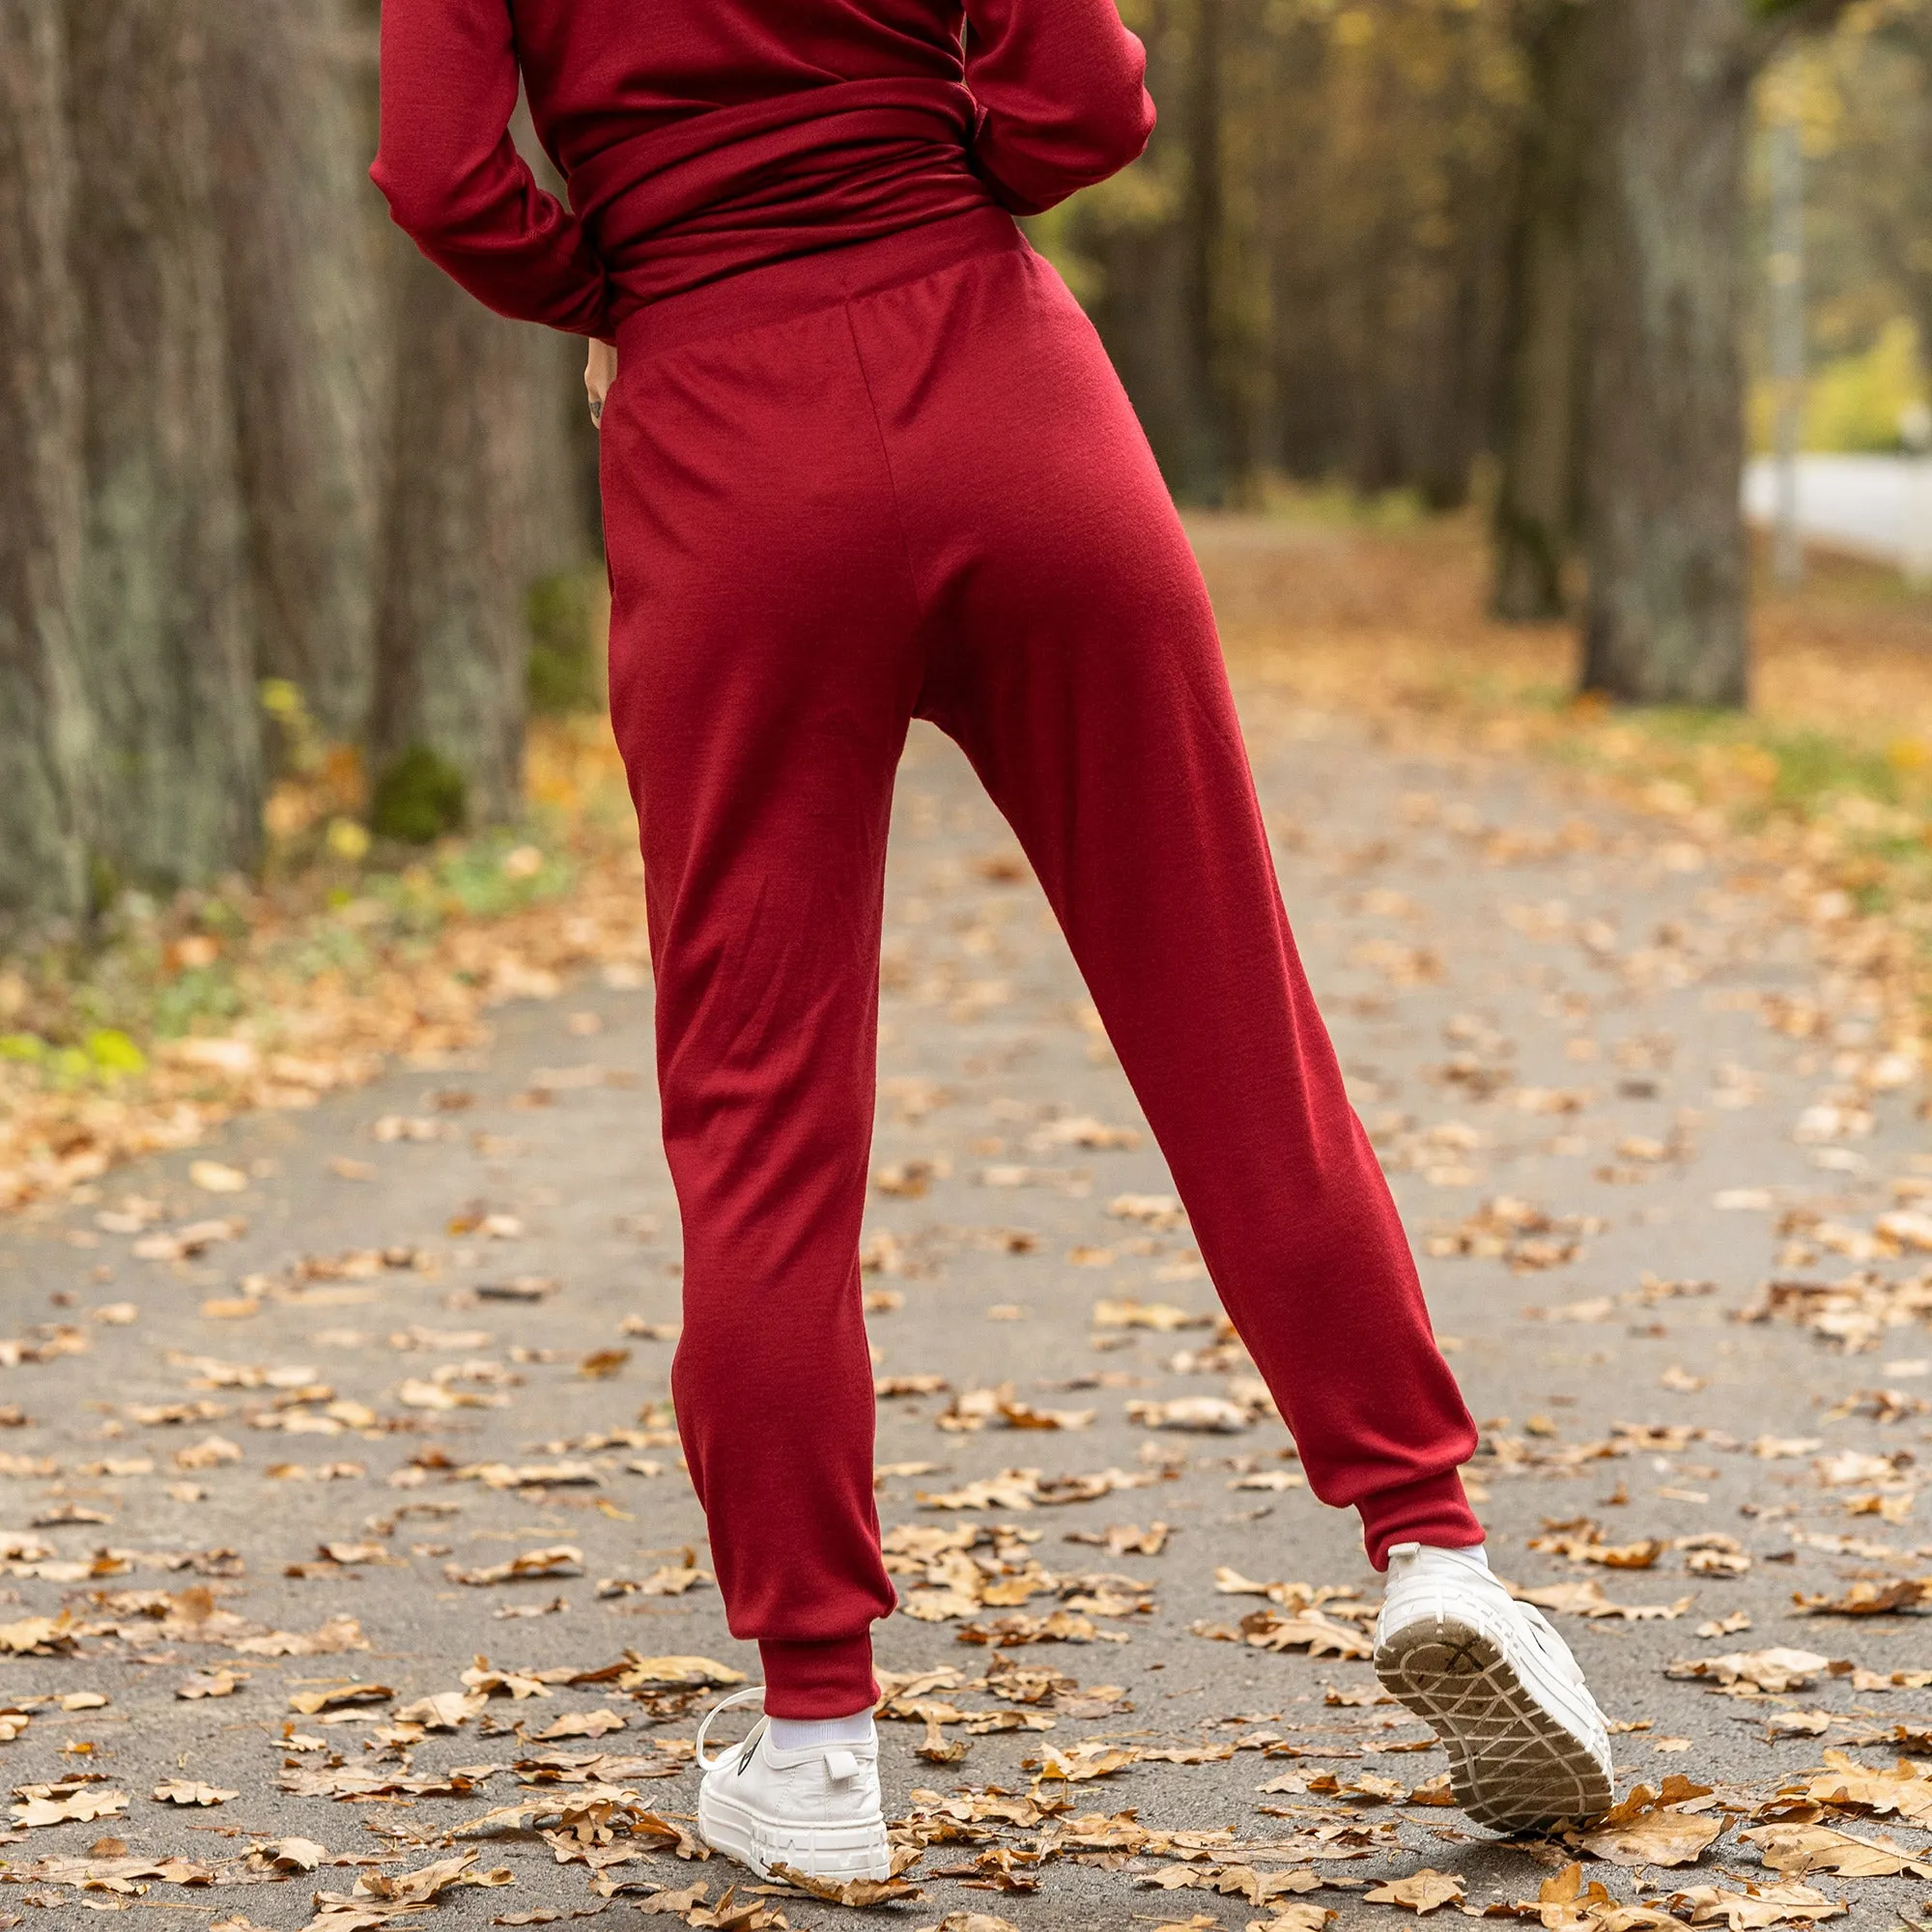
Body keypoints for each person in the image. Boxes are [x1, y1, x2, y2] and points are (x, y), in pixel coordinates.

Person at [372, 0, 1613, 1883]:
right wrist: (935, 189)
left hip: (728, 446)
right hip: (1007, 396)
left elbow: (442, 172)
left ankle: (814, 1744)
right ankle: (1432, 1547)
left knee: (758, 1116)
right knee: (1229, 1023)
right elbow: (1091, 95)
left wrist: (630, 280)